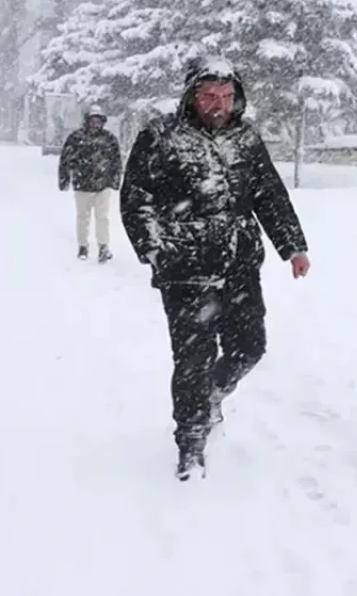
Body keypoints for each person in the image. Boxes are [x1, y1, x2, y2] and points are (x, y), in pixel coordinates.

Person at [120, 57, 310, 482]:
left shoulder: (245, 138)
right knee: (193, 359)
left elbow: (269, 194)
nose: (218, 104)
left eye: (226, 96)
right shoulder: (161, 136)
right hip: (186, 270)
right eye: (209, 96)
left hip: (240, 265)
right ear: (191, 96)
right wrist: (155, 250)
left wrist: (293, 245)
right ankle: (190, 443)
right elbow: (136, 198)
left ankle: (212, 395)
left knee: (250, 347)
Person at [57, 105, 122, 263]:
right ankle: (83, 246)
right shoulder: (76, 137)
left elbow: (116, 161)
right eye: (92, 120)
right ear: (87, 121)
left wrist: (115, 180)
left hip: (103, 184)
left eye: (98, 120)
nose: (95, 123)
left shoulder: (109, 139)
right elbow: (65, 159)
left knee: (102, 217)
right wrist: (64, 179)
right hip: (82, 185)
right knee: (83, 217)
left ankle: (103, 247)